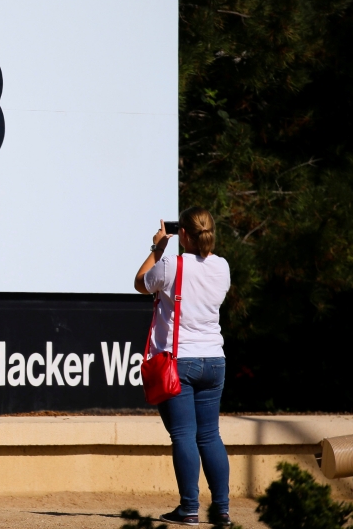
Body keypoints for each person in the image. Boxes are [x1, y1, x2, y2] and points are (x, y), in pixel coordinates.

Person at [134, 208, 232, 527]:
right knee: (210, 436)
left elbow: (140, 283)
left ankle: (189, 508)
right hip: (214, 360)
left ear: (184, 235)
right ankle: (221, 510)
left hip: (179, 361)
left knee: (184, 435)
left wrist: (158, 248)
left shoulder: (171, 264)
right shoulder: (222, 267)